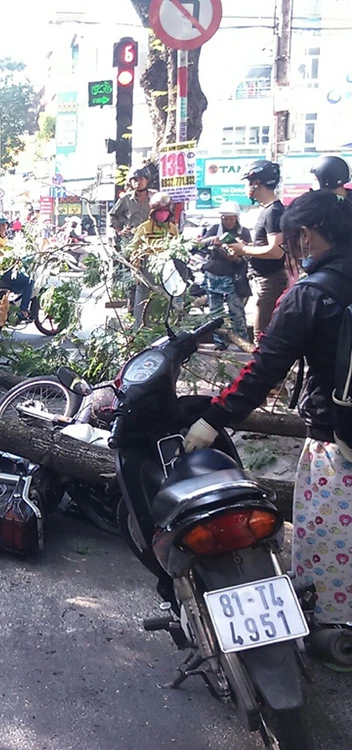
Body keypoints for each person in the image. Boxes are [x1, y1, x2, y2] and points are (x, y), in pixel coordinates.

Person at [183, 191, 352, 661]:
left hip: (339, 440)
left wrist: (213, 420)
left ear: (304, 236)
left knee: (329, 543)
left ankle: (332, 629)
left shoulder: (311, 293)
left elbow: (262, 370)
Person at [228, 160, 286, 340]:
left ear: (257, 183)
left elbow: (276, 251)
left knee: (261, 337)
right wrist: (245, 248)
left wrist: (244, 249)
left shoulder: (273, 211)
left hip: (270, 282)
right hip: (263, 280)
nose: (247, 187)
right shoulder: (268, 210)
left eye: (248, 182)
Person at [196, 201, 252, 345]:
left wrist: (236, 258)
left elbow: (248, 256)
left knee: (236, 312)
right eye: (225, 218)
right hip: (213, 276)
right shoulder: (215, 229)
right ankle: (219, 342)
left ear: (236, 218)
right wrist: (213, 241)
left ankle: (243, 342)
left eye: (231, 218)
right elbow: (200, 244)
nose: (228, 221)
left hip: (233, 278)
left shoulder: (243, 232)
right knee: (215, 313)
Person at [127, 192, 178, 325]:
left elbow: (178, 247)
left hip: (167, 271)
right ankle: (140, 333)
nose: (162, 214)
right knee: (143, 304)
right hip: (146, 270)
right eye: (159, 211)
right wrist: (136, 268)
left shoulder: (172, 229)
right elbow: (133, 248)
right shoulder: (144, 228)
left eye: (165, 211)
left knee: (164, 304)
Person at [0, 214, 34, 321]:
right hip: (2, 270)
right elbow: (6, 255)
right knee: (29, 282)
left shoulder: (2, 237)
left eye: (4, 225)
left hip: (6, 268)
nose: (2, 227)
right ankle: (23, 309)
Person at [109, 166, 155, 240]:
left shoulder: (155, 196)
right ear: (130, 182)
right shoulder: (126, 198)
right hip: (131, 239)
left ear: (147, 180)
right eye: (135, 180)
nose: (138, 182)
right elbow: (112, 215)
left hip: (152, 238)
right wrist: (119, 231)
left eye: (141, 179)